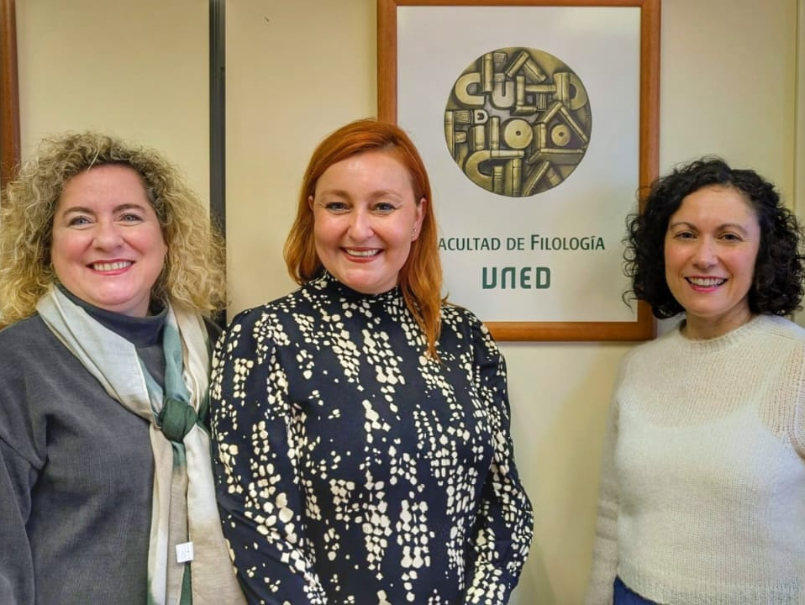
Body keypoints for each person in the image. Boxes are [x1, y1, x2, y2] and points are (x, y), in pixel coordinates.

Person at [210, 118, 534, 605]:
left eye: (383, 206)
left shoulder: (466, 338)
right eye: (338, 205)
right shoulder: (265, 339)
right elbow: (261, 529)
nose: (359, 229)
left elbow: (506, 504)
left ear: (418, 218)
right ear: (313, 212)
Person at [0, 132, 245, 605]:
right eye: (80, 220)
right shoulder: (17, 364)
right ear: (45, 243)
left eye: (129, 216)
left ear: (166, 237)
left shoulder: (219, 352)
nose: (107, 239)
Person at [585, 157, 805, 604]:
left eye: (729, 237)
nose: (704, 256)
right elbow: (613, 511)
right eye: (685, 235)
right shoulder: (638, 367)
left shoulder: (796, 364)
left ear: (763, 252)